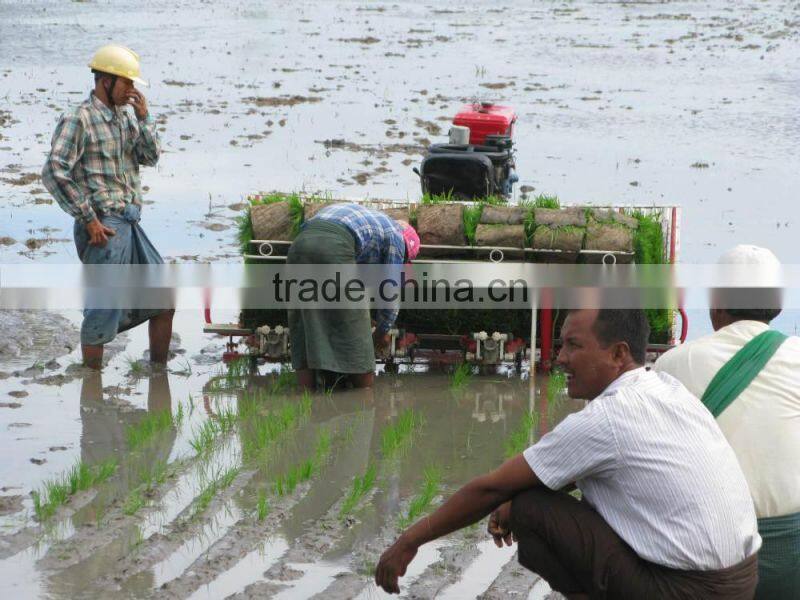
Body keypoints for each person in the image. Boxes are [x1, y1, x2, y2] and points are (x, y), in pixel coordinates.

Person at [375, 309, 761, 598]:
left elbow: (490, 489)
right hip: (743, 580)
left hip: (688, 591)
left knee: (528, 505)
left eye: (573, 346)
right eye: (561, 344)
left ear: (618, 354)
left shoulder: (608, 417)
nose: (559, 358)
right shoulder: (667, 389)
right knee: (530, 494)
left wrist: (410, 540)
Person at [656, 244, 800, 599]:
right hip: (792, 559)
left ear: (716, 302)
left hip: (717, 562)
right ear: (777, 303)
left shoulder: (675, 364)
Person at [42, 44, 173, 369]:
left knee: (164, 300)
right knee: (102, 310)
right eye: (126, 83)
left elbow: (150, 156)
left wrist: (145, 119)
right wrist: (88, 220)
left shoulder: (125, 118)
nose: (131, 91)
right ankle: (92, 386)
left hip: (129, 222)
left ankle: (159, 374)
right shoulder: (79, 119)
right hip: (102, 227)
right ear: (105, 82)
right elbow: (54, 170)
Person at [286, 203, 419, 391]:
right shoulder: (397, 239)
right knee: (357, 329)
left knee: (305, 320)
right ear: (407, 249)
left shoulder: (373, 222)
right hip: (334, 244)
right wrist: (381, 333)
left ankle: (305, 393)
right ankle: (364, 396)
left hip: (300, 243)